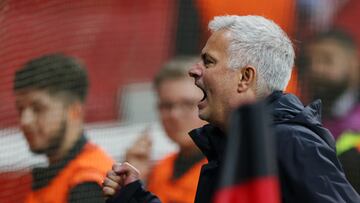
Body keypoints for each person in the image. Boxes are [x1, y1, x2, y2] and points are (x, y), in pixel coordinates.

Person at [103, 15, 360, 203]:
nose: (194, 70)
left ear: (245, 78)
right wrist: (133, 196)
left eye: (209, 61)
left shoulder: (290, 142)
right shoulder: (229, 145)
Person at [14, 53, 114, 203]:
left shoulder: (87, 184)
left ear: (74, 111)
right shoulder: (62, 174)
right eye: (21, 109)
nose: (25, 121)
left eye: (38, 108)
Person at [124, 56, 207, 203]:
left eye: (187, 104)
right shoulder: (160, 170)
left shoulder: (225, 169)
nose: (174, 115)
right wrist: (136, 183)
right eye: (167, 106)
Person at [299, 30, 360, 142]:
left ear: (353, 64)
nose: (315, 69)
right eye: (310, 62)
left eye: (327, 60)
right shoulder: (300, 114)